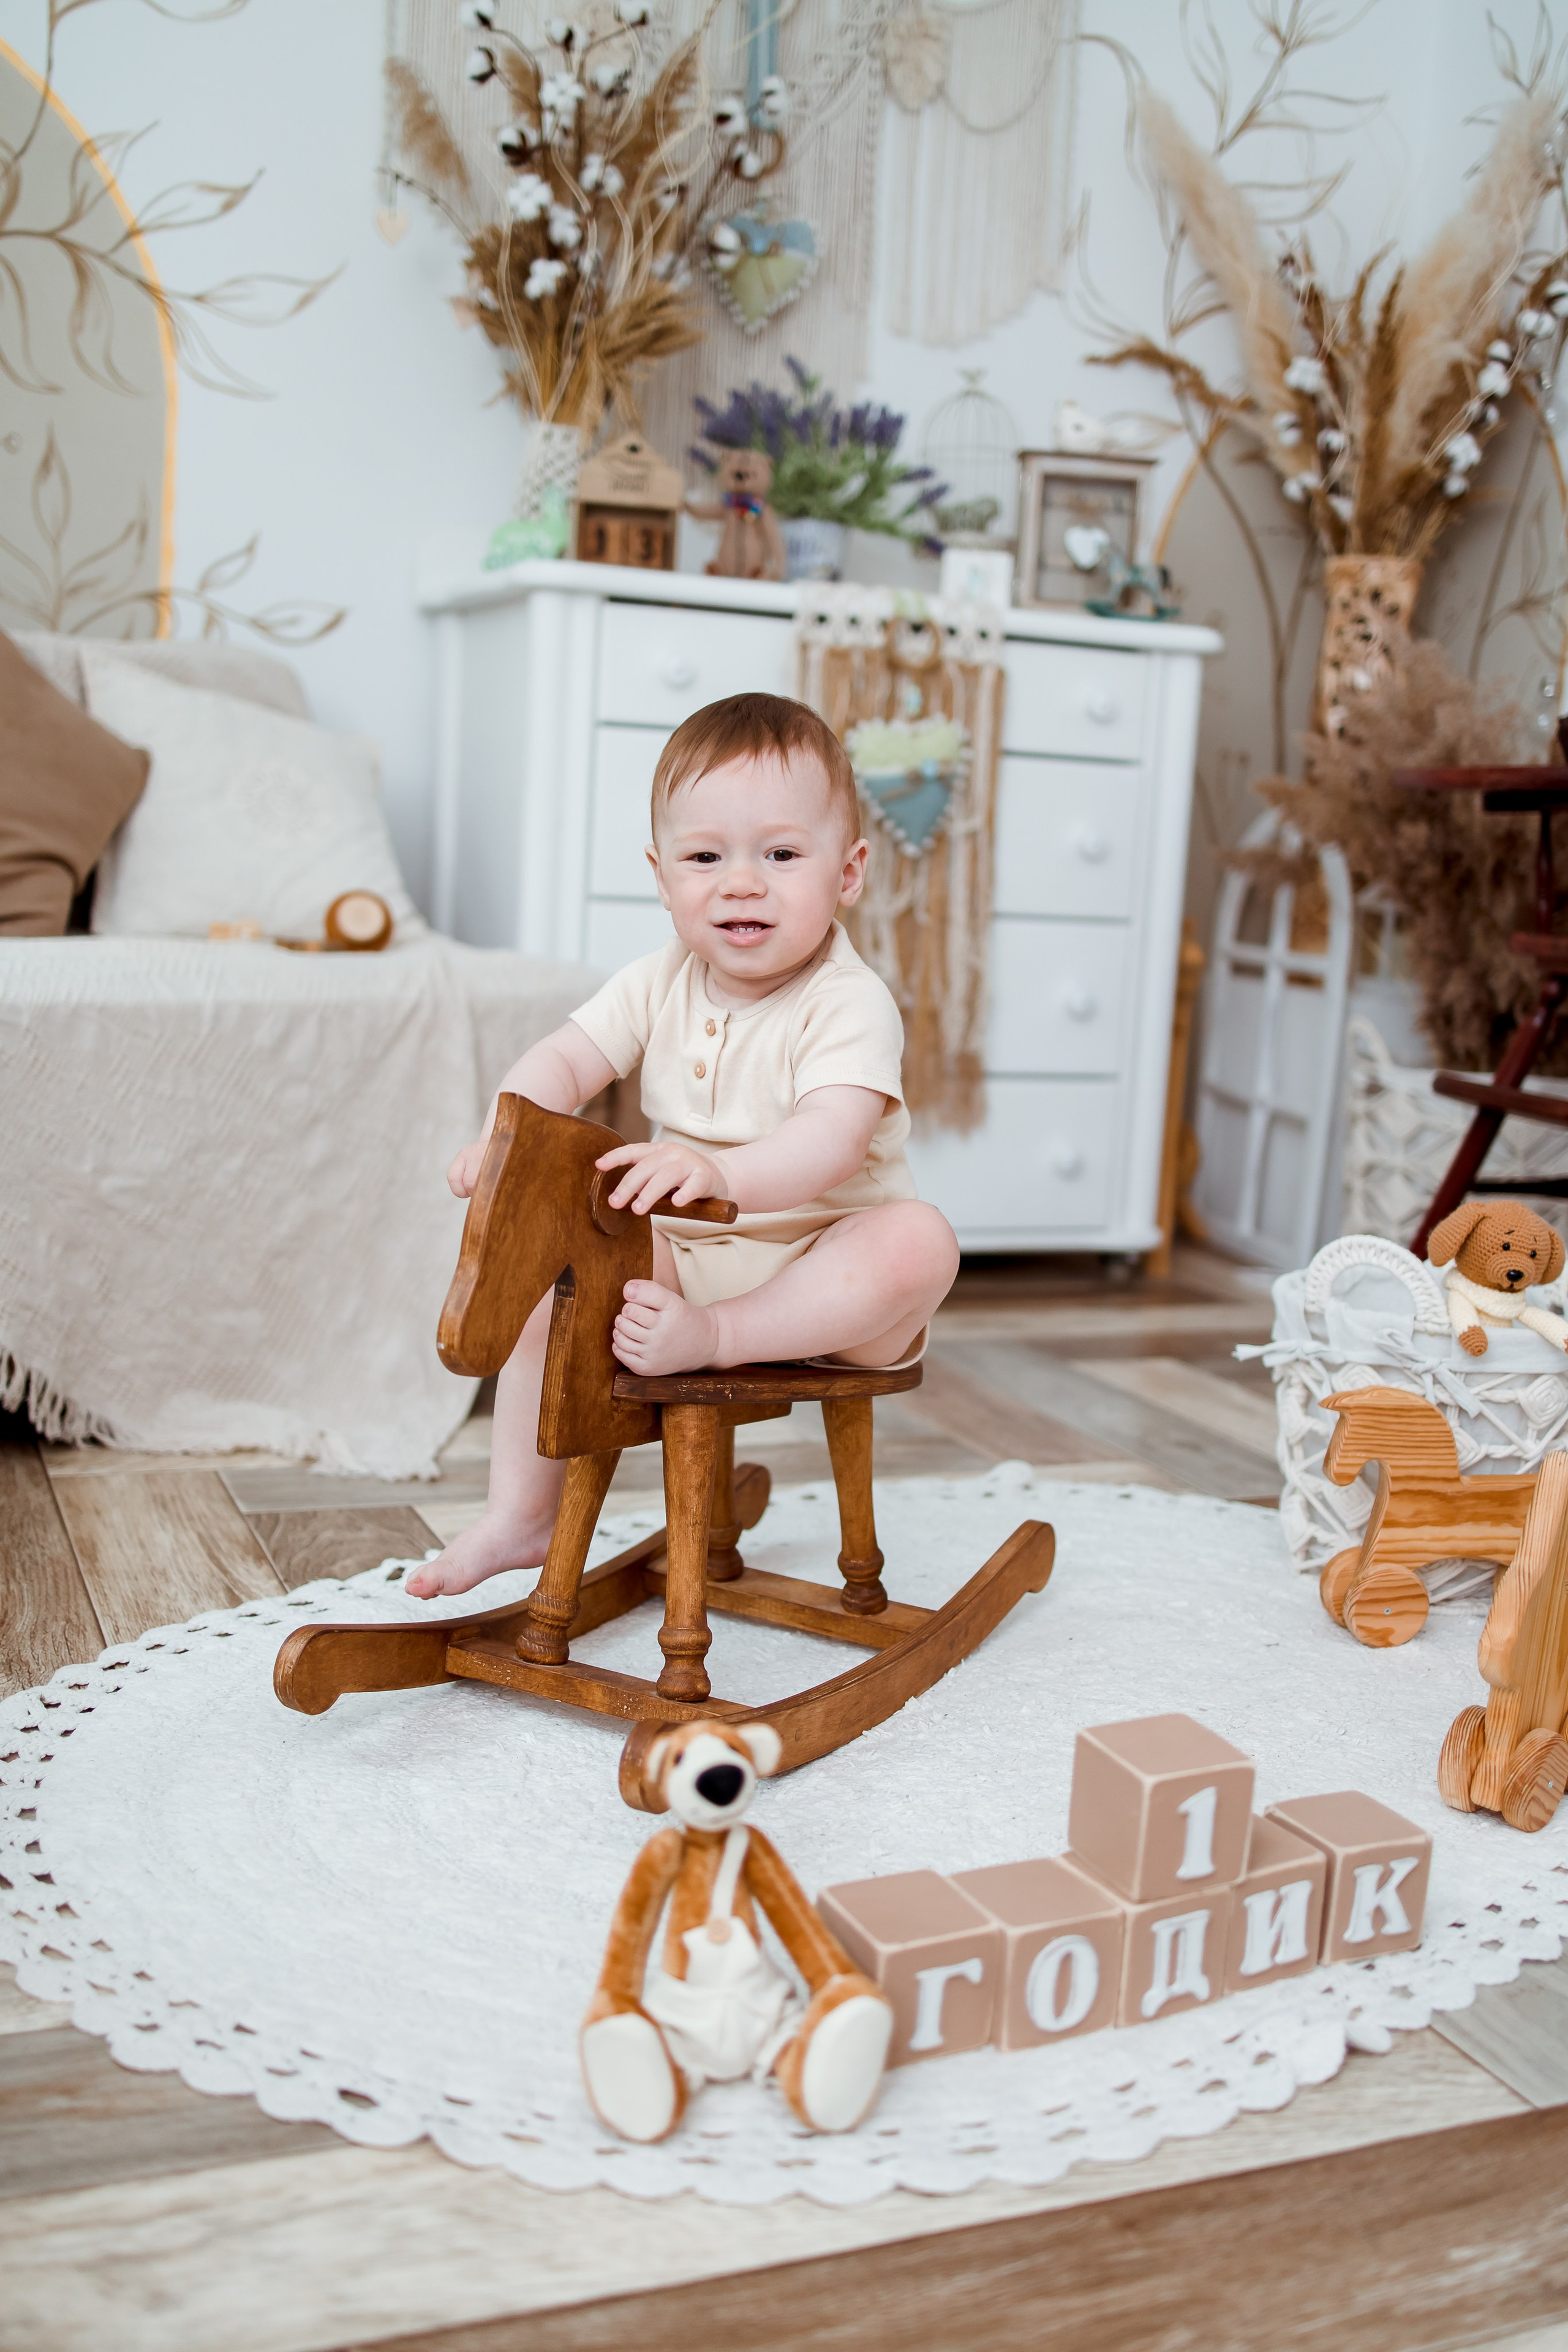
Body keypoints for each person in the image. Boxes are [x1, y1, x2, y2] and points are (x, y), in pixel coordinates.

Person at [407, 692, 959, 1600]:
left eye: (781, 855)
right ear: (664, 879)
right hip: (685, 1258)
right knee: (560, 1275)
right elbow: (565, 1059)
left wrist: (720, 1171)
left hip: (829, 1280)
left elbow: (829, 1140)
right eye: (706, 858)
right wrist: (507, 1141)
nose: (741, 884)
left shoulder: (848, 1002)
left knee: (920, 1239)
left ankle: (721, 1338)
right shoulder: (657, 981)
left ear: (849, 872)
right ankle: (519, 1518)